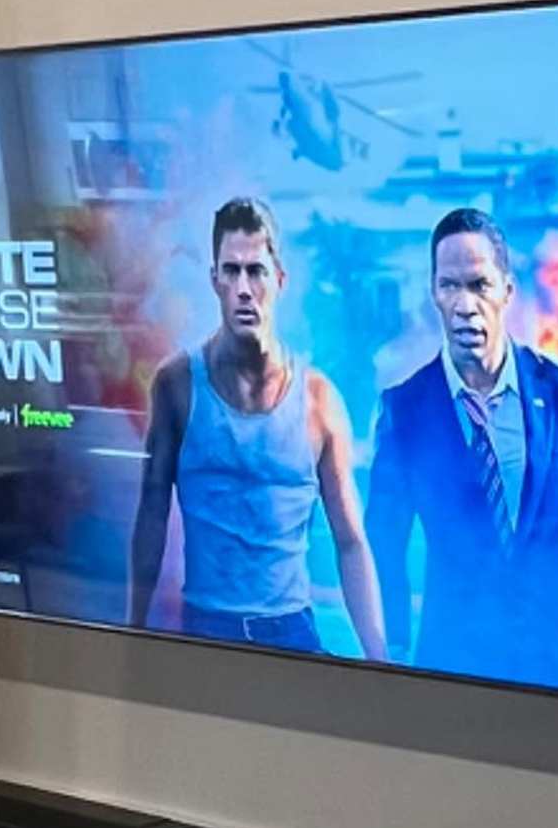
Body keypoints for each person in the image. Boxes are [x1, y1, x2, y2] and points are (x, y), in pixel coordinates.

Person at [360, 205, 558, 693]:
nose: (464, 303)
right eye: (450, 286)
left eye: (479, 285)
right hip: (449, 670)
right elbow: (382, 545)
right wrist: (392, 658)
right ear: (434, 292)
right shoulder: (404, 411)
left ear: (507, 291)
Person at [125, 197, 387, 657]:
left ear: (279, 280)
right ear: (215, 281)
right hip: (207, 626)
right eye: (232, 271)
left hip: (292, 630)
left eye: (257, 271)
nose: (244, 288)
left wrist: (381, 659)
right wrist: (132, 636)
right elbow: (151, 514)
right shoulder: (177, 385)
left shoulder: (319, 401)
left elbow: (351, 542)